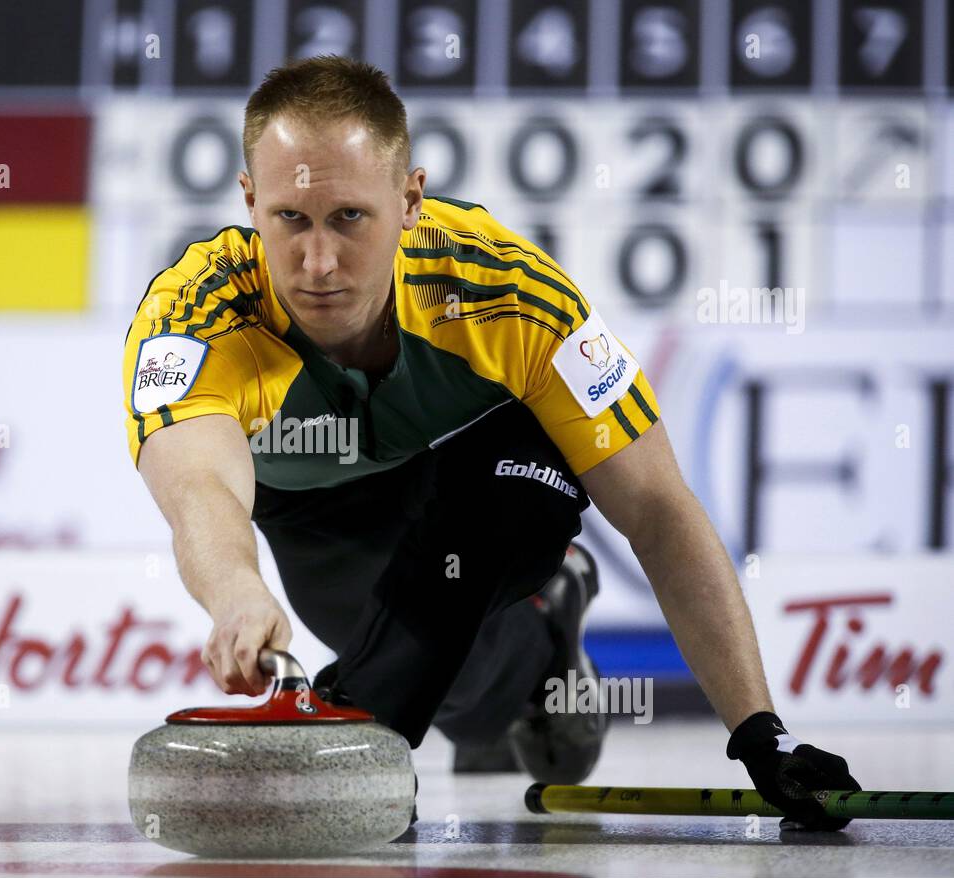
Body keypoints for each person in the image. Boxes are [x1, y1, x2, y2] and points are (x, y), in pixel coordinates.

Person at [121, 55, 860, 830]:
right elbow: (198, 486)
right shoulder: (197, 312)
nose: (319, 263)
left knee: (428, 626)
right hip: (315, 513)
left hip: (477, 484)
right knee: (463, 694)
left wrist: (761, 735)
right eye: (290, 220)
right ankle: (545, 651)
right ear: (250, 202)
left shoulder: (507, 294)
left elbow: (657, 510)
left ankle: (358, 728)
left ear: (410, 201)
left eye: (349, 218)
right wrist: (236, 592)